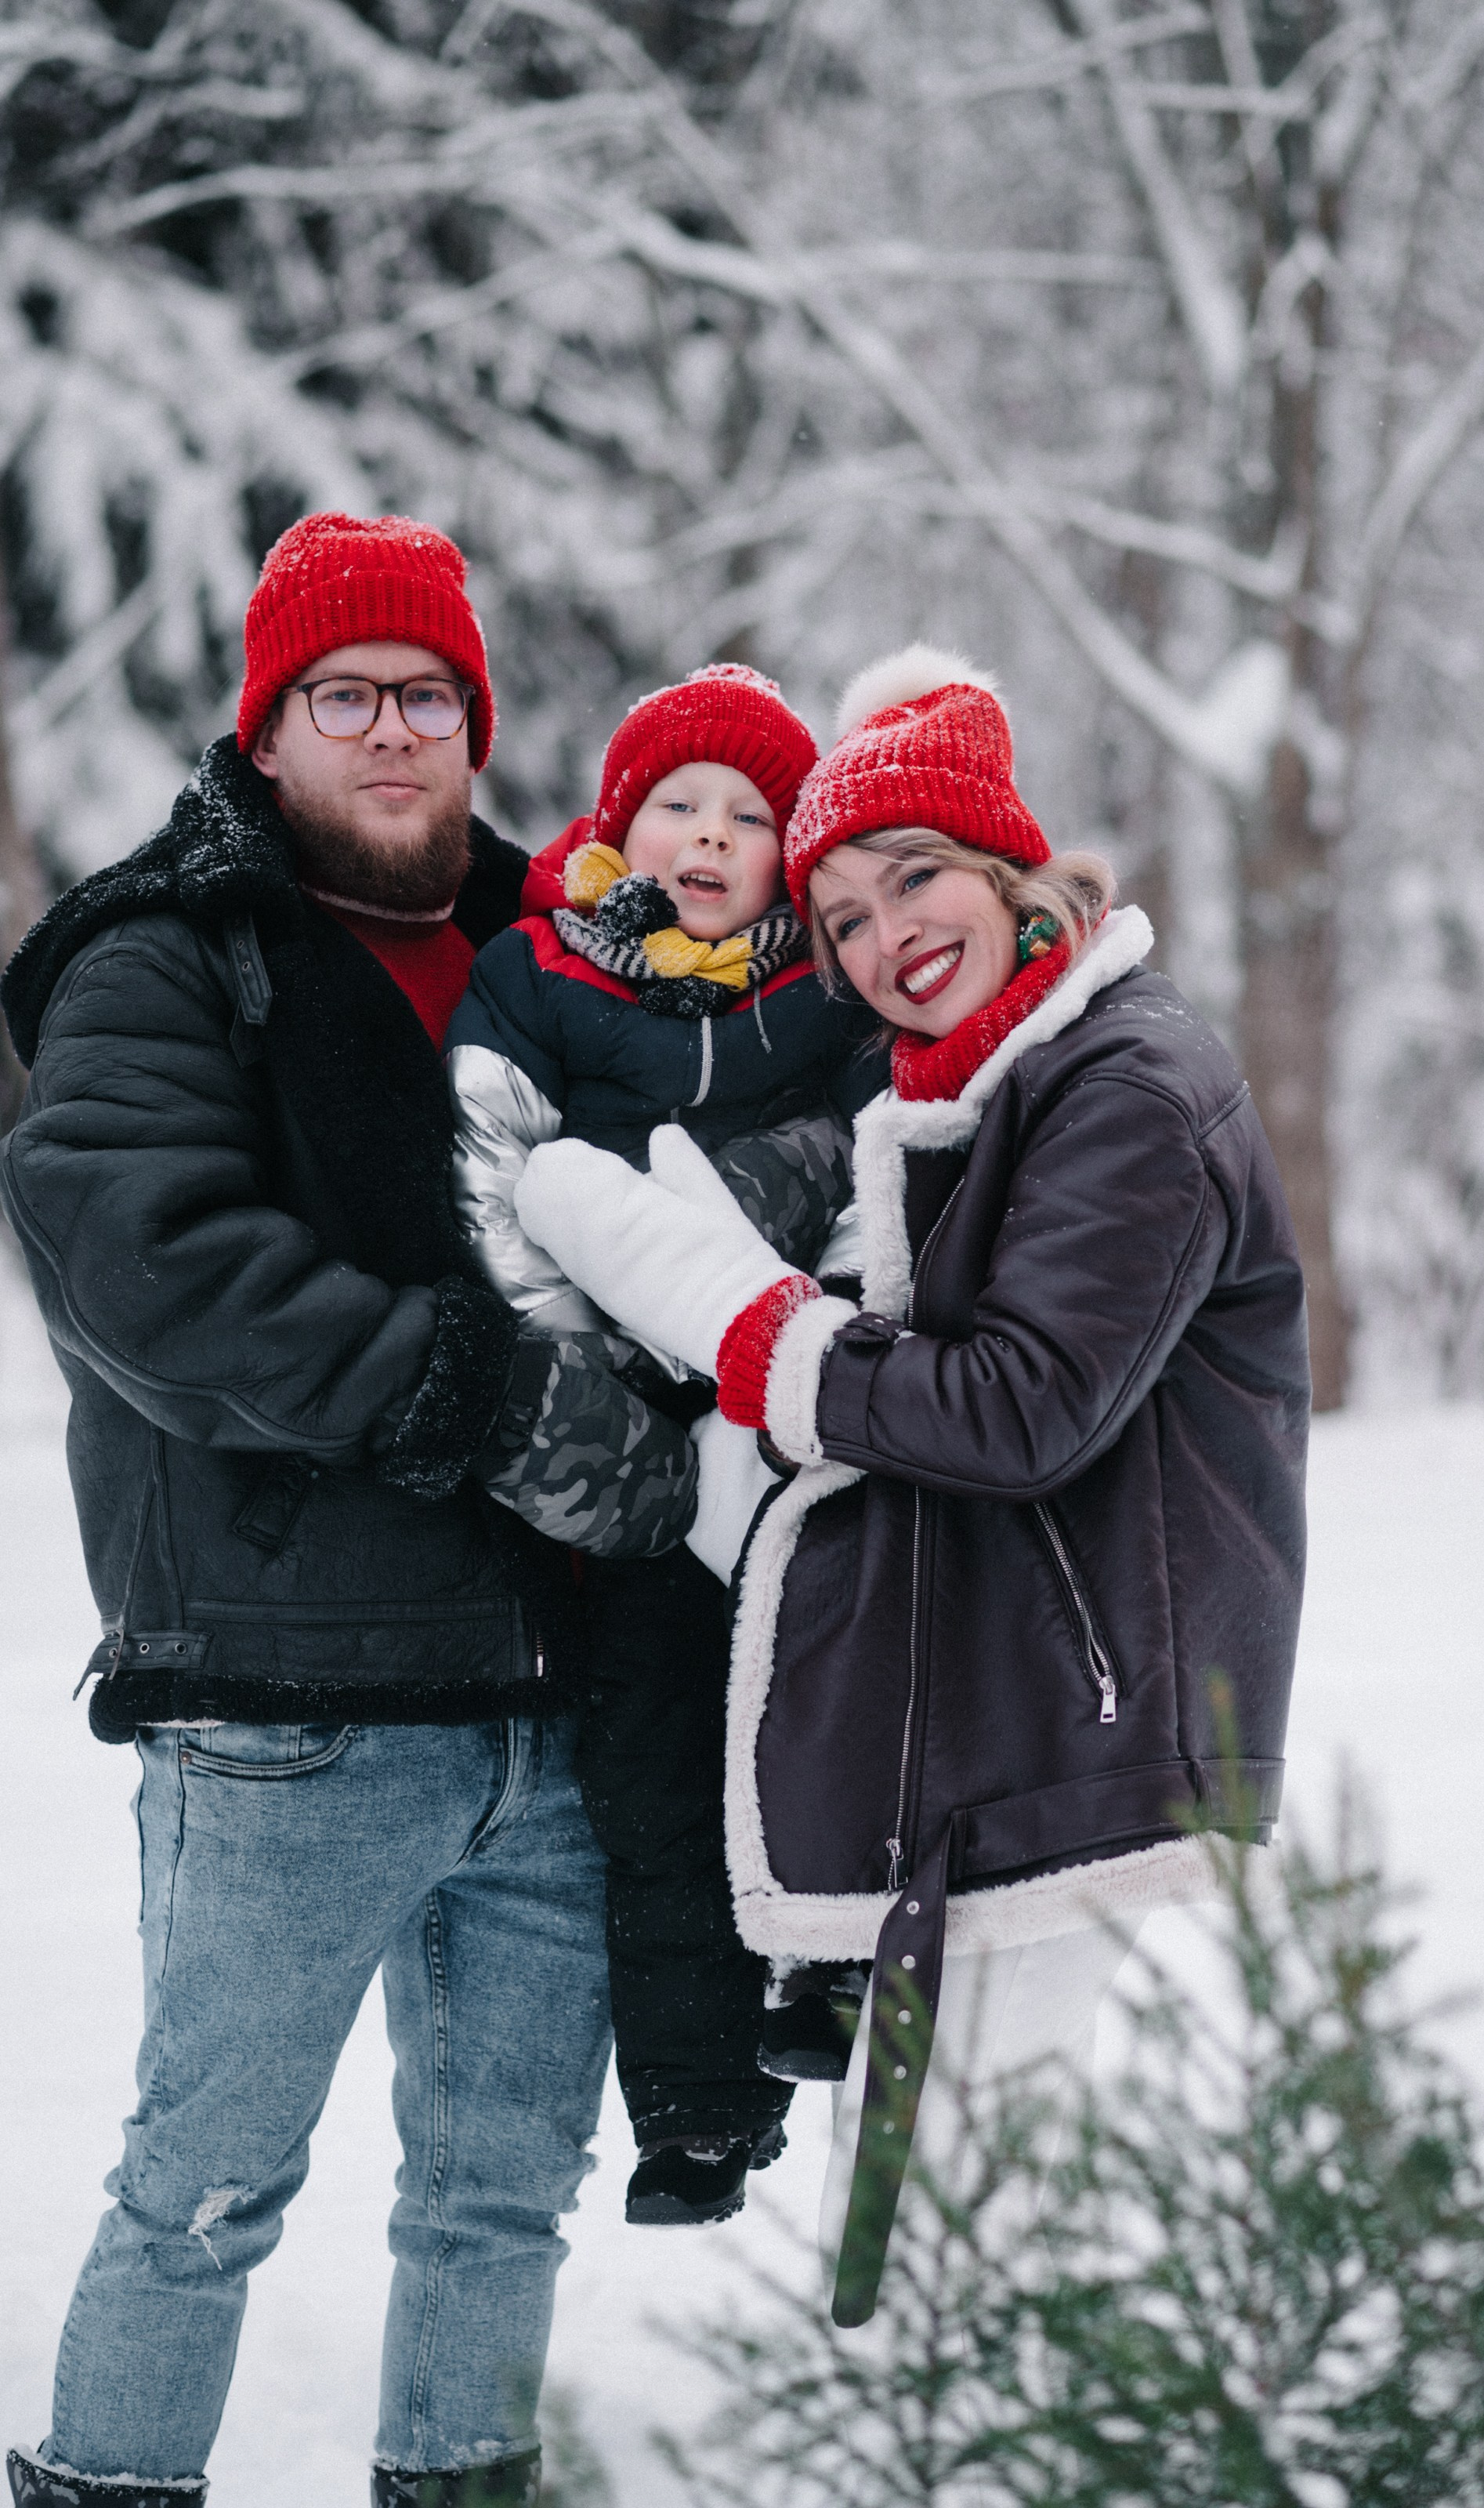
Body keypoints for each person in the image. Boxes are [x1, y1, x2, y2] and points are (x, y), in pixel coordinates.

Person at [1, 513, 770, 2508]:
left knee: (500, 2206)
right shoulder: (171, 955)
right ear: (267, 730)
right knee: (202, 2192)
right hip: (290, 1708)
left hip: (563, 1703)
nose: (393, 731)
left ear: (474, 722)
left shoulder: (570, 949)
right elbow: (142, 1263)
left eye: (428, 695)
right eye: (343, 695)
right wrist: (479, 1396)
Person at [511, 644, 1311, 2327]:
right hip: (1009, 1717)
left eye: (915, 879)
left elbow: (1024, 1409)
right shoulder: (991, 1080)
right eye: (847, 916)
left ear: (1015, 873)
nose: (886, 939)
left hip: (1084, 1719)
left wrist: (748, 1326)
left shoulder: (1129, 1085)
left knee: (980, 2224)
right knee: (931, 2207)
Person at [444, 661, 882, 2225]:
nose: (708, 832)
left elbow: (877, 1168)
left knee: (815, 1711)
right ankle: (693, 2101)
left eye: (749, 813)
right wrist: (595, 1365)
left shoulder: (826, 993)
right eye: (676, 805)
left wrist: (802, 1308)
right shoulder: (542, 968)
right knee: (649, 1752)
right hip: (628, 1427)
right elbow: (495, 1168)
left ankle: (824, 1976)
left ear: (792, 851)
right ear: (623, 831)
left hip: (784, 1415)